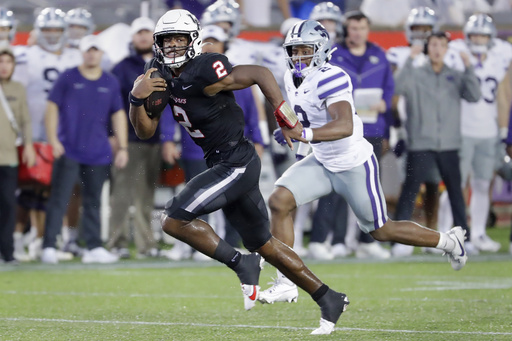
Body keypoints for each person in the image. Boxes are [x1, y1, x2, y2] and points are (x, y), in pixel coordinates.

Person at [129, 9, 348, 335]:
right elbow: (144, 131)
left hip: (236, 161)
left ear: (193, 40)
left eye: (179, 39)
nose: (173, 46)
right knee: (265, 244)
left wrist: (285, 118)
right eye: (167, 40)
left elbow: (260, 73)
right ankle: (327, 296)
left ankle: (241, 263)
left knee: (173, 219)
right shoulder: (156, 73)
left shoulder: (207, 66)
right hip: (221, 162)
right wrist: (135, 99)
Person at [258, 21, 468, 323]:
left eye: (306, 50)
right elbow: (301, 115)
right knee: (279, 201)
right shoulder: (292, 77)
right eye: (294, 51)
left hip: (352, 163)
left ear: (321, 51)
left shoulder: (333, 77)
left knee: (381, 230)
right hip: (322, 159)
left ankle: (449, 242)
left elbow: (343, 125)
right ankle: (286, 282)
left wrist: (305, 134)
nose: (299, 57)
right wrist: (290, 130)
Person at [41, 35, 128, 264]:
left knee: (93, 201)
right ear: (82, 52)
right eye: (88, 50)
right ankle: (49, 246)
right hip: (68, 149)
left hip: (98, 152)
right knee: (59, 199)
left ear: (101, 54)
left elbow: (118, 114)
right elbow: (51, 108)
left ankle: (93, 247)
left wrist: (123, 147)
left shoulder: (109, 81)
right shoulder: (68, 77)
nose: (91, 54)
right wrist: (53, 140)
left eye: (95, 50)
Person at [392, 31, 481, 254]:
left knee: (455, 192)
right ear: (426, 47)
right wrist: (410, 61)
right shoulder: (416, 73)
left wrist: (469, 67)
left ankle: (464, 238)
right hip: (421, 143)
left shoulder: (455, 74)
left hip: (449, 144)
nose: (437, 49)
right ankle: (399, 241)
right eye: (433, 44)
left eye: (442, 44)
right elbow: (397, 88)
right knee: (410, 191)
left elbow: (474, 95)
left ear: (447, 48)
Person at [316, 10, 394, 259]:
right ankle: (328, 238)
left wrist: (385, 104)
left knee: (369, 187)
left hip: (372, 128)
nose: (358, 33)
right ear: (345, 29)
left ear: (368, 30)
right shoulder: (333, 55)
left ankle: (366, 240)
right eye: (353, 28)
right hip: (341, 129)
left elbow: (388, 89)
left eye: (362, 28)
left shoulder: (379, 55)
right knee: (336, 185)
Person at [438, 14, 512, 252]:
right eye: (475, 34)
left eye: (483, 35)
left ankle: (478, 233)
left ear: (491, 37)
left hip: (489, 130)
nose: (479, 39)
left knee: (482, 183)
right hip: (461, 129)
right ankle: (443, 235)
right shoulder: (457, 53)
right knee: (455, 184)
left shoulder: (501, 55)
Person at [108, 17, 178, 260]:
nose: (143, 37)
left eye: (147, 32)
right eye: (139, 33)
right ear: (132, 37)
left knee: (146, 194)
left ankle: (146, 245)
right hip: (128, 140)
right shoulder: (122, 67)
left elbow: (170, 106)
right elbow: (113, 106)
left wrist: (168, 138)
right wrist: (114, 137)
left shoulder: (166, 66)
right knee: (121, 193)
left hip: (154, 139)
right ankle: (116, 243)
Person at [386, 6, 443, 256]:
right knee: (407, 185)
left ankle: (432, 233)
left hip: (435, 130)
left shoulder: (442, 55)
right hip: (406, 130)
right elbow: (394, 95)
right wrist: (396, 128)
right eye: (417, 29)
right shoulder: (398, 55)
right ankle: (403, 236)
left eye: (426, 30)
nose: (420, 35)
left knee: (432, 185)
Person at [0, 47, 35, 264]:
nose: (4, 66)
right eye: (0, 61)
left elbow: (25, 121)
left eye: (7, 62)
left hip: (9, 158)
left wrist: (29, 146)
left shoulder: (18, 88)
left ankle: (8, 252)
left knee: (8, 206)